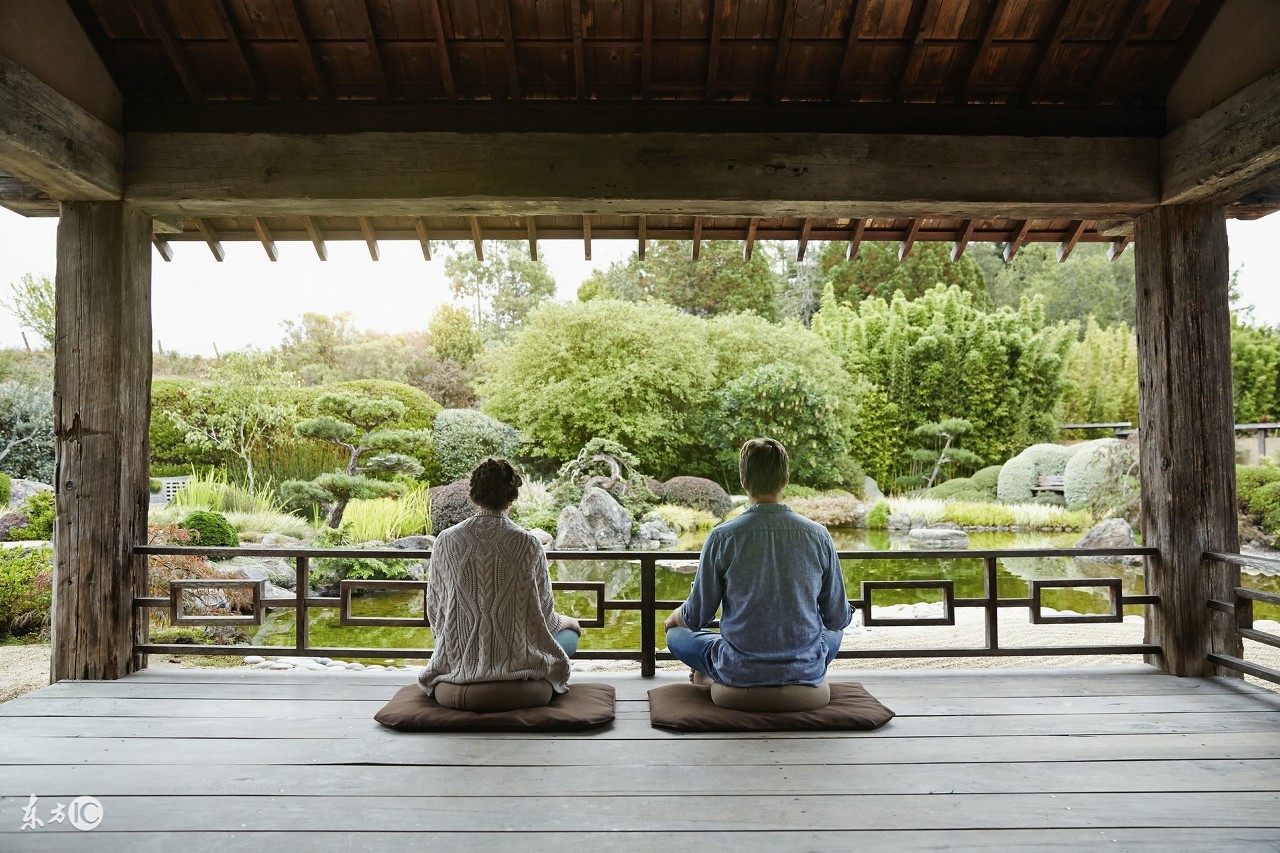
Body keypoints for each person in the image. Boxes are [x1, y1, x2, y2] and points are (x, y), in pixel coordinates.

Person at [664, 438, 851, 687]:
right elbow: (837, 619)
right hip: (804, 667)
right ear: (785, 479)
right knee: (834, 632)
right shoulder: (818, 535)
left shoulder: (722, 536)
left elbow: (697, 616)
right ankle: (795, 670)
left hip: (739, 667)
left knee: (676, 635)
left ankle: (713, 678)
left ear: (743, 481)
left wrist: (674, 619)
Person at [418, 458, 581, 697]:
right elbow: (543, 615)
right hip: (519, 663)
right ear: (512, 496)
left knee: (449, 638)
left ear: (474, 494)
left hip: (459, 664)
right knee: (569, 635)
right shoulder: (528, 543)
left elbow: (435, 610)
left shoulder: (446, 540)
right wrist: (569, 622)